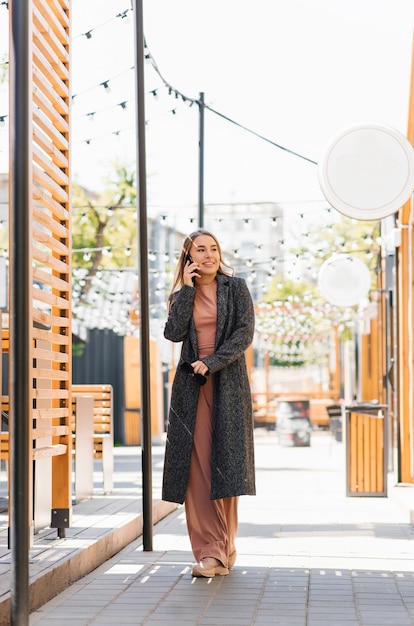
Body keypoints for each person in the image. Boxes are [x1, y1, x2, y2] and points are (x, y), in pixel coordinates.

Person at [162, 229, 256, 578]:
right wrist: (186, 290)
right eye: (199, 250)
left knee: (225, 468)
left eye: (213, 248)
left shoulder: (236, 288)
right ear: (188, 259)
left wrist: (213, 361)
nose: (208, 255)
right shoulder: (179, 295)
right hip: (192, 389)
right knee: (197, 472)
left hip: (228, 385)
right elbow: (173, 333)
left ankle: (226, 546)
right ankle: (208, 553)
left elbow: (244, 334)